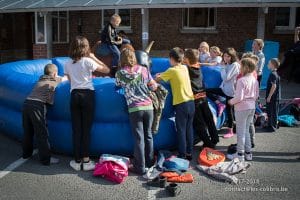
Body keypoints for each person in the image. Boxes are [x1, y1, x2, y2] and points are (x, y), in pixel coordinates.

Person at [65, 36, 110, 171]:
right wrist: (94, 57)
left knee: (76, 129)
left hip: (74, 95)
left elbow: (69, 80)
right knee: (86, 129)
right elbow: (107, 70)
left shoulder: (67, 63)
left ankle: (77, 161)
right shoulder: (88, 61)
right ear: (85, 48)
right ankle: (86, 160)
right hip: (87, 95)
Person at [115, 48, 156, 175]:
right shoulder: (144, 69)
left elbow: (117, 85)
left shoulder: (120, 73)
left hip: (135, 108)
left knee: (139, 138)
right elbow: (153, 86)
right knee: (148, 135)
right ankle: (150, 162)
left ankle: (140, 167)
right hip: (148, 107)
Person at [156, 47, 195, 160]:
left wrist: (158, 76)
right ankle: (189, 153)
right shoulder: (184, 67)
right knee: (189, 128)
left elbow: (157, 80)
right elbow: (172, 73)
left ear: (172, 59)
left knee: (181, 130)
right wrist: (163, 73)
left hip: (181, 104)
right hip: (191, 102)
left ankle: (182, 154)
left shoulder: (171, 71)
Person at [22, 64, 65, 165]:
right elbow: (65, 79)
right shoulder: (54, 80)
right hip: (37, 105)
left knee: (28, 131)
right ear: (54, 74)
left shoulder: (40, 79)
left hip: (26, 103)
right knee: (42, 133)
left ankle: (26, 154)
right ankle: (46, 159)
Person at [184, 48, 219, 149]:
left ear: (187, 59)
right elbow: (199, 63)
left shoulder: (187, 69)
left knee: (198, 123)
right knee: (208, 119)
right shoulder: (198, 66)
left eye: (185, 58)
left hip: (195, 99)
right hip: (203, 97)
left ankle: (208, 144)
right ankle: (215, 138)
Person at [228, 58, 259, 161]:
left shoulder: (241, 81)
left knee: (241, 132)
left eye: (241, 66)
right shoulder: (255, 80)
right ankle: (248, 153)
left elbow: (239, 98)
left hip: (242, 108)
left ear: (245, 67)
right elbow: (256, 95)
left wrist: (230, 102)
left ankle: (240, 154)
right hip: (252, 107)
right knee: (246, 131)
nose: (239, 68)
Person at [206, 48, 240, 138]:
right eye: (224, 56)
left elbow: (226, 78)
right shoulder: (227, 64)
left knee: (230, 111)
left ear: (232, 56)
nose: (226, 58)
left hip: (231, 92)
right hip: (224, 89)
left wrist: (223, 67)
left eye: (228, 56)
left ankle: (230, 131)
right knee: (206, 91)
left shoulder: (234, 65)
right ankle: (219, 104)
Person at [264, 58, 281, 132]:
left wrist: (269, 96)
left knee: (271, 111)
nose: (268, 64)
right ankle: (272, 125)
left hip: (273, 97)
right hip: (275, 97)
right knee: (273, 111)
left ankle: (272, 127)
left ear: (273, 65)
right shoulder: (276, 74)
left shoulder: (272, 74)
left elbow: (274, 86)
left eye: (269, 63)